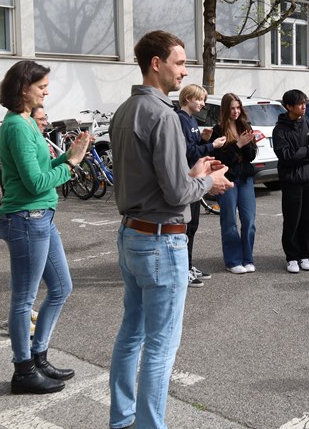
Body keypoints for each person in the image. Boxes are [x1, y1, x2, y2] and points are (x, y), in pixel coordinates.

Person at [108, 30, 232, 428]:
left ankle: (123, 419)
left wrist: (194, 172)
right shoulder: (161, 114)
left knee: (132, 334)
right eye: (179, 62)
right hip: (160, 240)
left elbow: (160, 178)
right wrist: (206, 183)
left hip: (132, 233)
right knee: (160, 347)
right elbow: (178, 191)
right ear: (156, 63)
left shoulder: (125, 110)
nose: (185, 71)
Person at [0, 60, 93, 395]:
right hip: (26, 219)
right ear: (24, 88)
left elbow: (40, 168)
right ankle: (23, 371)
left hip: (41, 218)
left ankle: (39, 356)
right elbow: (36, 182)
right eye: (42, 86)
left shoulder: (25, 122)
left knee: (62, 287)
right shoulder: (17, 126)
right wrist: (74, 166)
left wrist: (67, 156)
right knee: (24, 299)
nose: (47, 91)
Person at [177, 84, 227, 288]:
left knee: (193, 225)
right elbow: (187, 151)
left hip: (195, 178)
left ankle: (188, 265)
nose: (203, 103)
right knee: (186, 227)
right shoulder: (180, 119)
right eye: (199, 99)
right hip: (188, 178)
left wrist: (202, 138)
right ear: (188, 98)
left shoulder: (191, 120)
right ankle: (183, 269)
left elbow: (193, 144)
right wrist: (211, 145)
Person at [272, 89, 309, 273]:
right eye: (300, 104)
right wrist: (306, 150)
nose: (304, 106)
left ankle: (304, 255)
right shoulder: (280, 129)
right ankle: (292, 257)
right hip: (291, 181)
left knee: (308, 219)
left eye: (304, 103)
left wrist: (302, 152)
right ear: (289, 106)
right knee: (292, 219)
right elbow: (285, 156)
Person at [209, 94, 259, 274]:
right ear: (225, 109)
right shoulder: (218, 130)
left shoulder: (245, 126)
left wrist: (245, 144)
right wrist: (237, 145)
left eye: (238, 107)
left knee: (249, 220)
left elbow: (252, 156)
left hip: (245, 178)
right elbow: (219, 159)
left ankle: (248, 258)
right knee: (229, 220)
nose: (236, 111)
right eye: (232, 108)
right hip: (226, 179)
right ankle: (233, 260)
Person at [0, 105, 49, 206]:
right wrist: (1, 201)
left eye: (46, 118)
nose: (45, 123)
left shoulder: (33, 139)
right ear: (28, 120)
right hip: (20, 209)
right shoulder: (19, 139)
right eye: (41, 119)